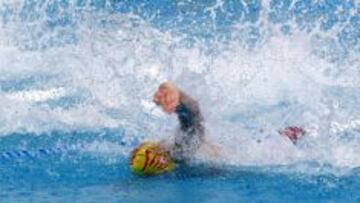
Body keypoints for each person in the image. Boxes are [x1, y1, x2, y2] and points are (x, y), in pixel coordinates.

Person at [153, 81, 305, 162]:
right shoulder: (175, 147)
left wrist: (180, 99)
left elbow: (194, 114)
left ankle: (285, 135)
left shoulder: (183, 149)